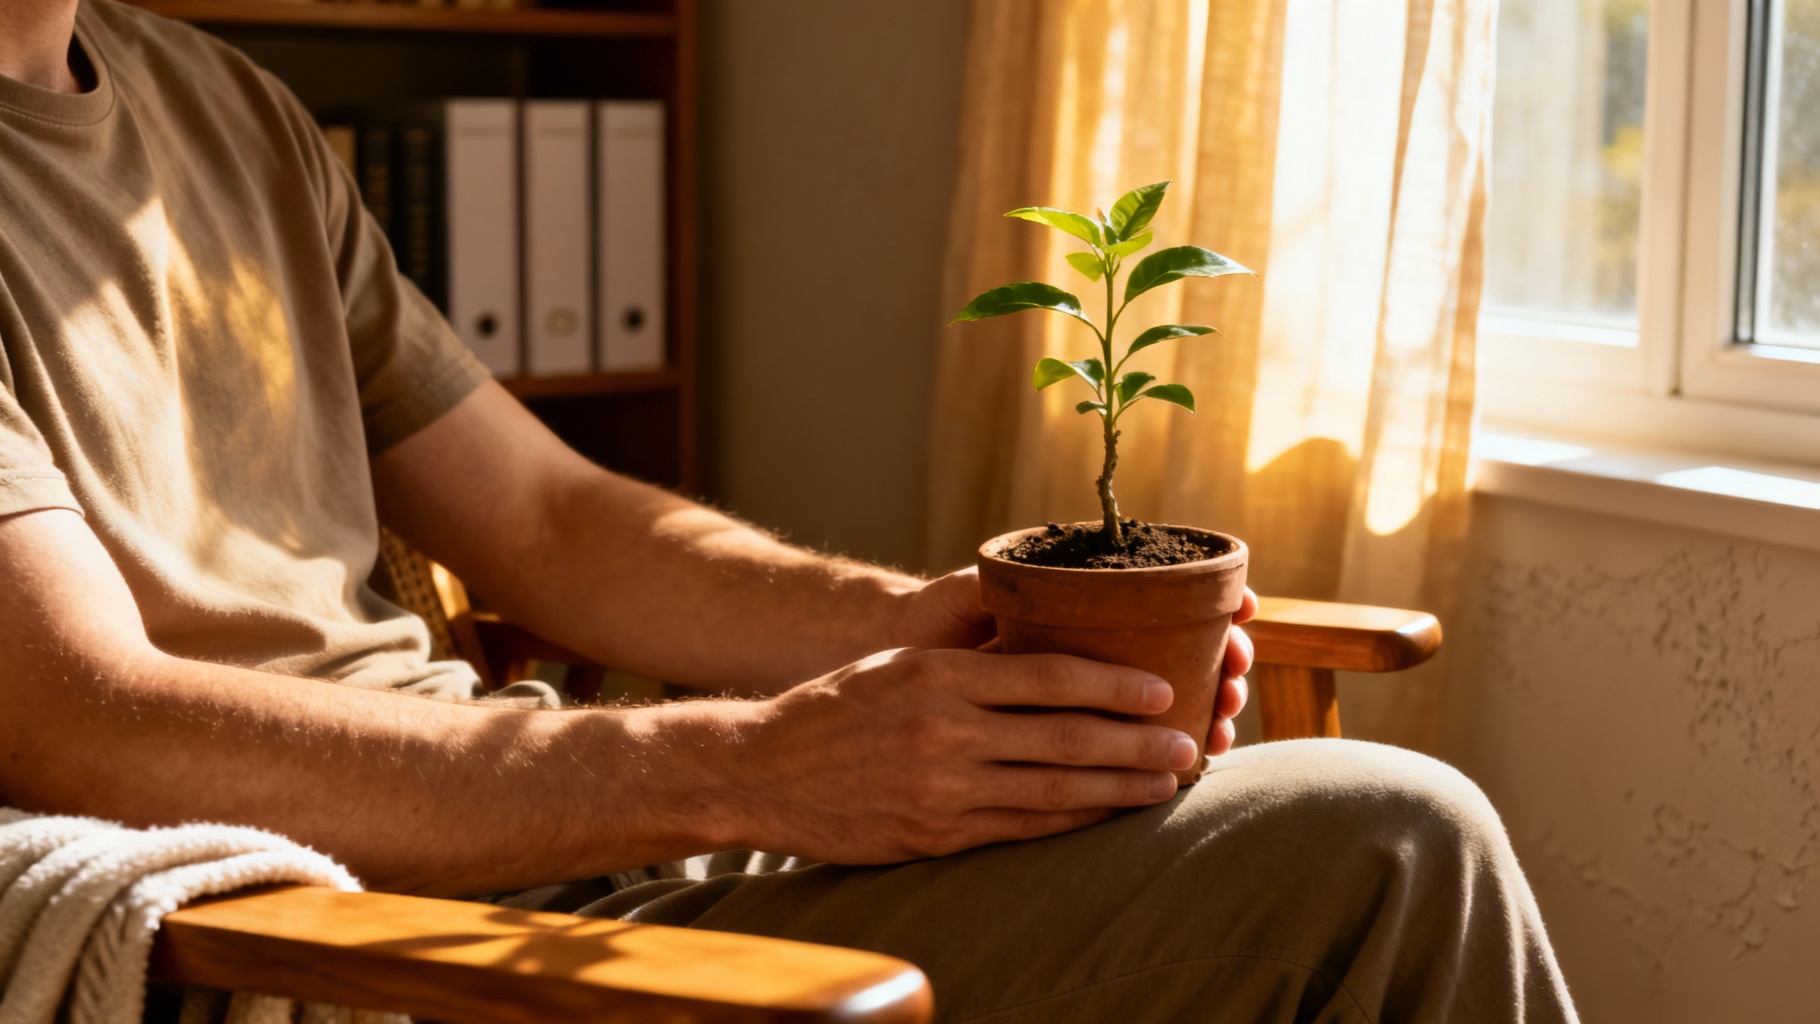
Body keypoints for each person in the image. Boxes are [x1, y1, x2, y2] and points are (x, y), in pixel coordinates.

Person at [0, 0, 1578, 1019]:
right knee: (1390, 847)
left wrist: (915, 632)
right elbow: (93, 724)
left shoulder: (226, 113)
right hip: (353, 940)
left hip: (576, 854)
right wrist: (751, 765)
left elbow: (549, 519)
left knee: (1360, 833)